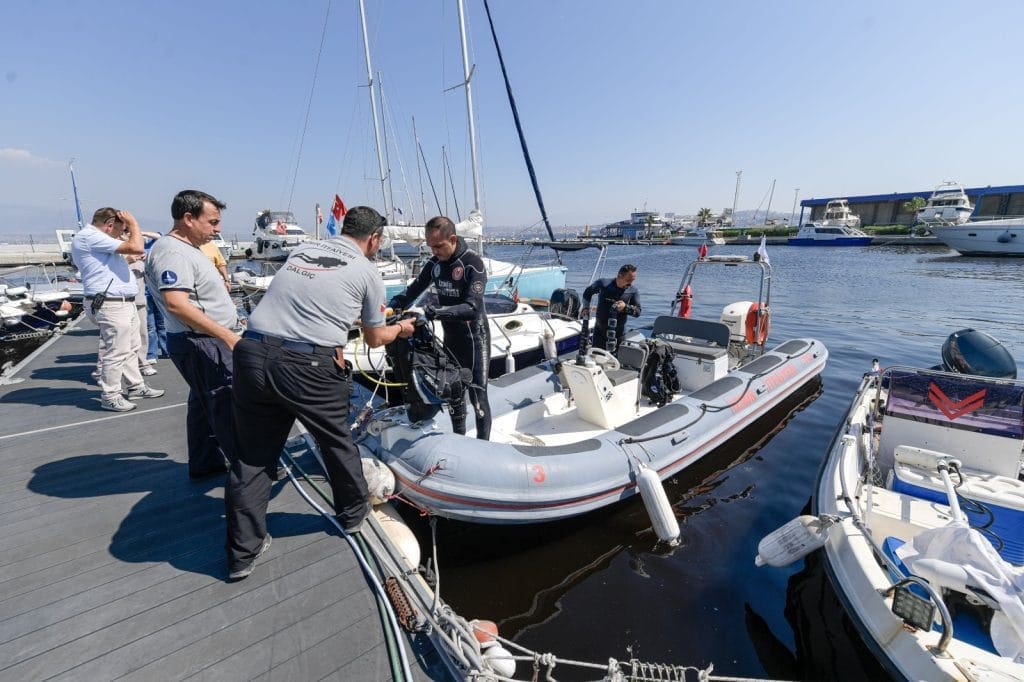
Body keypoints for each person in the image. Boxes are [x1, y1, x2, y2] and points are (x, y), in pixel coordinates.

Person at [229, 206, 416, 580]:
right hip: (307, 366)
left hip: (251, 352)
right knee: (336, 441)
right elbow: (375, 338)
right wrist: (402, 329)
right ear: (374, 238)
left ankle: (241, 554)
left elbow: (306, 302)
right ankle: (353, 515)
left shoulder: (303, 250)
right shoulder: (368, 272)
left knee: (252, 458)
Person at [145, 189, 241, 480]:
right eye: (212, 222)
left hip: (200, 341)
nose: (218, 229)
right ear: (188, 218)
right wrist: (228, 336)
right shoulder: (173, 252)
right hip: (203, 342)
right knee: (226, 405)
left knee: (203, 404)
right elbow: (176, 303)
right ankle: (248, 474)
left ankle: (206, 462)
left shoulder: (185, 248)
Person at [389, 215, 492, 440]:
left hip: (475, 338)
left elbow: (472, 308)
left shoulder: (472, 263)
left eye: (438, 246)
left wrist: (431, 312)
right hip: (451, 338)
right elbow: (412, 291)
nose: (434, 251)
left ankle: (483, 445)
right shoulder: (435, 264)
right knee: (455, 392)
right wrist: (390, 306)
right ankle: (459, 441)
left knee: (478, 397)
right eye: (430, 246)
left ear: (453, 239)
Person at [71, 208, 165, 412]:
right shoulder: (90, 236)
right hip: (111, 303)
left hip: (123, 302)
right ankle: (110, 395)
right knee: (116, 351)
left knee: (131, 347)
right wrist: (133, 223)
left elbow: (107, 265)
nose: (122, 235)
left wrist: (127, 259)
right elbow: (137, 247)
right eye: (121, 230)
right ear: (109, 225)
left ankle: (135, 386)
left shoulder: (98, 240)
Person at [582, 264, 642, 353]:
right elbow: (587, 293)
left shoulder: (633, 290)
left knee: (615, 360)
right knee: (596, 358)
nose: (630, 284)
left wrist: (625, 307)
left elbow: (638, 312)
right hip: (600, 333)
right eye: (628, 280)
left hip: (619, 335)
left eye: (632, 280)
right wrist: (585, 307)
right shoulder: (603, 284)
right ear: (619, 276)